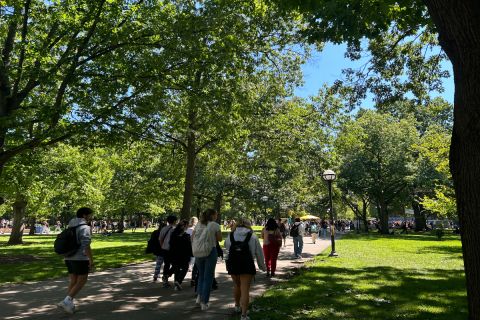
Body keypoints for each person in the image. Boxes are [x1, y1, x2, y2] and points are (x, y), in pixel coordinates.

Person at [225, 218, 266, 320]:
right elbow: (259, 253)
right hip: (247, 265)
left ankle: (237, 306)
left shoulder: (230, 235)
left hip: (233, 264)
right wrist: (262, 266)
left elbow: (227, 248)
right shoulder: (252, 236)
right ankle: (244, 315)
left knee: (236, 285)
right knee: (245, 289)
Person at [57, 207, 94, 314]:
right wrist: (91, 260)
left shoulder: (71, 225)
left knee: (73, 281)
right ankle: (66, 301)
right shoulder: (85, 228)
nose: (91, 217)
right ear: (84, 215)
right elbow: (86, 246)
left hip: (68, 257)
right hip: (80, 258)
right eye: (90, 215)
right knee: (81, 281)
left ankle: (69, 304)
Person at [191, 208, 222, 311]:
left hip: (198, 252)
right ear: (212, 216)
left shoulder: (199, 224)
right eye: (216, 214)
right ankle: (205, 302)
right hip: (210, 251)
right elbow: (219, 238)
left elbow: (192, 237)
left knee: (201, 275)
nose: (216, 216)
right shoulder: (215, 225)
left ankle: (199, 298)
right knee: (208, 277)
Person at [169, 220, 193, 291]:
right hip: (184, 254)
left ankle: (176, 283)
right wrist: (191, 253)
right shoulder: (186, 236)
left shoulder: (173, 234)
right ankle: (178, 281)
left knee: (177, 268)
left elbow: (171, 244)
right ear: (185, 226)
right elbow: (189, 246)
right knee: (185, 268)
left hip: (175, 254)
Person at [157, 215, 178, 287]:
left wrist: (163, 246)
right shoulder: (175, 229)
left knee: (167, 264)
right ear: (175, 221)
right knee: (176, 264)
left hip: (165, 249)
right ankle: (168, 275)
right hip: (173, 250)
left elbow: (160, 239)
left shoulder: (164, 229)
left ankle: (165, 278)